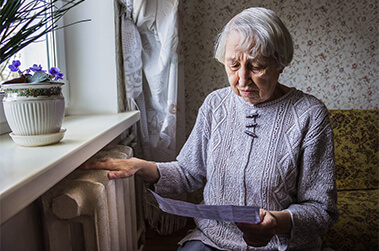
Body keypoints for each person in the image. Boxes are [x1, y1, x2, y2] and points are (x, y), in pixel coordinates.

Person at [81, 7, 338, 250]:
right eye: (233, 65)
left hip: (280, 245)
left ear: (280, 64)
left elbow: (321, 209)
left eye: (257, 66)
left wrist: (278, 223)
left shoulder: (309, 115)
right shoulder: (216, 104)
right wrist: (143, 167)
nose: (242, 79)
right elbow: (189, 172)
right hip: (212, 240)